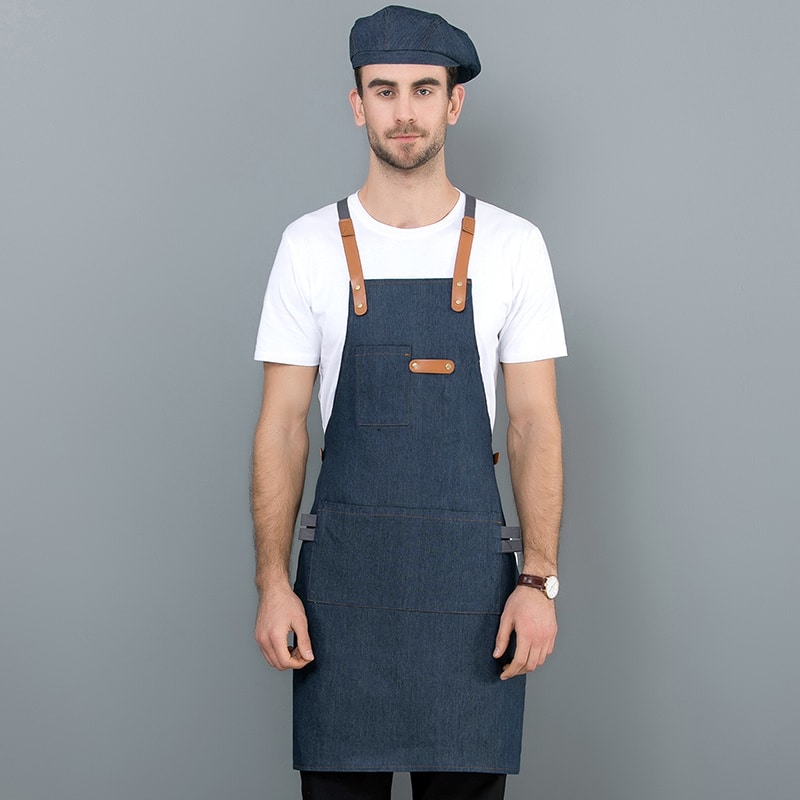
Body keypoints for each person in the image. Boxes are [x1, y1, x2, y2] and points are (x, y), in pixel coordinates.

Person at [251, 6, 566, 799]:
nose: (404, 111)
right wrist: (274, 584)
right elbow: (282, 428)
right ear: (357, 103)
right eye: (383, 90)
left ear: (453, 103)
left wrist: (537, 583)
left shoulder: (514, 246)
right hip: (339, 600)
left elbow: (533, 424)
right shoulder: (306, 247)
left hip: (472, 601)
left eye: (424, 89)